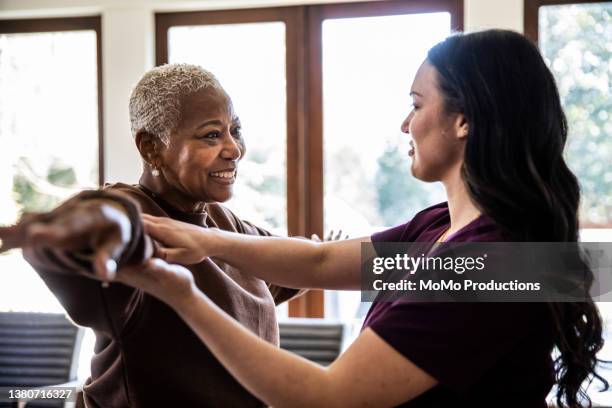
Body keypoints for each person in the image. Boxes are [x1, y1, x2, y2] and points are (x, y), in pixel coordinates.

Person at [106, 30, 606, 407]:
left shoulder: (489, 264)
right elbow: (321, 261)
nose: (405, 123)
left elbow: (328, 398)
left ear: (464, 120)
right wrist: (208, 241)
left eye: (416, 104)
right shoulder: (437, 229)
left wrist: (183, 297)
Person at [0, 64, 305, 407]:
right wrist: (100, 225)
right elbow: (109, 229)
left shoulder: (223, 221)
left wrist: (373, 265)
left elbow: (313, 263)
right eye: (211, 135)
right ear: (151, 148)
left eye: (235, 130)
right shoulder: (133, 217)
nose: (234, 149)